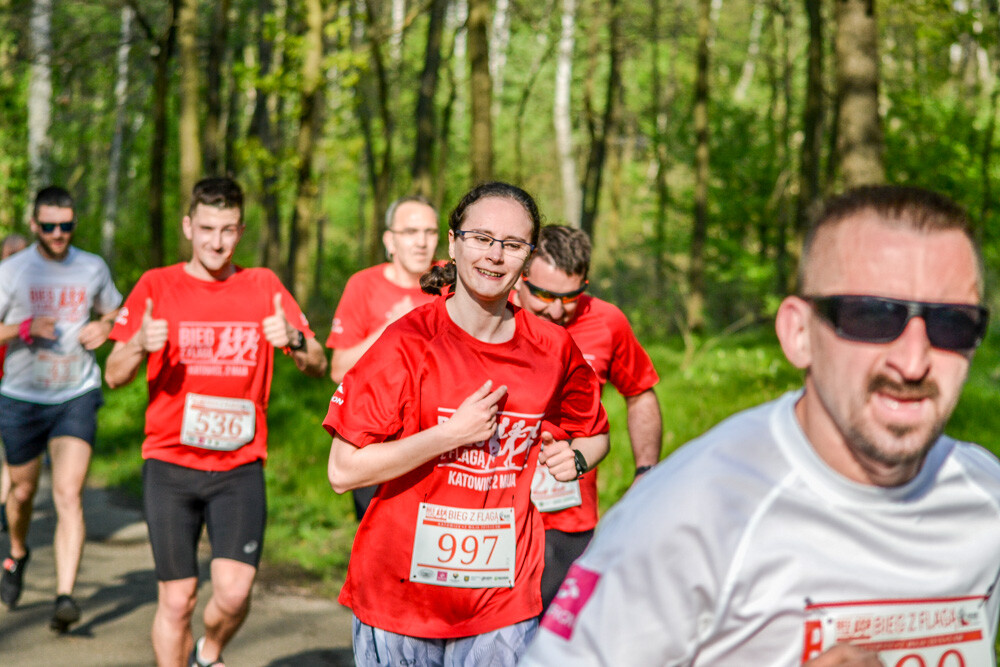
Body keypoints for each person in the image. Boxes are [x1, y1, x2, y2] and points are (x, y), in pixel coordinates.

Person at [522, 185, 1000, 666]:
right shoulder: (685, 516)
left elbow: (638, 391)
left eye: (952, 324)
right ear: (798, 334)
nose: (913, 361)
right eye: (872, 316)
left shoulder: (987, 501)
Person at [324, 181, 610, 666]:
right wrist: (448, 436)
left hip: (503, 601)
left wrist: (577, 457)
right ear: (454, 244)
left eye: (513, 244)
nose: (495, 256)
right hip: (400, 601)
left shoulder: (552, 349)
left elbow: (596, 432)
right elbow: (343, 470)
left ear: (527, 259)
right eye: (481, 238)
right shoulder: (408, 342)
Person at [105, 177, 327, 667]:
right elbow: (115, 375)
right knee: (177, 598)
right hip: (169, 463)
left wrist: (291, 337)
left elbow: (319, 362)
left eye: (227, 230)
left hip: (239, 465)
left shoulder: (264, 285)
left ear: (241, 231)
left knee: (232, 593)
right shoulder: (156, 285)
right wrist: (139, 343)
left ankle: (210, 652)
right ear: (188, 226)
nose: (216, 241)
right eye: (207, 228)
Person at [511, 225, 661, 611]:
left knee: (551, 638)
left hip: (567, 514)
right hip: (492, 510)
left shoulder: (607, 322)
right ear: (519, 278)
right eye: (544, 294)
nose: (557, 310)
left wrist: (647, 472)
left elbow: (640, 392)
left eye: (570, 297)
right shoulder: (489, 313)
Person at [0, 188, 122, 633]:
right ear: (34, 225)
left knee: (68, 494)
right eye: (49, 226)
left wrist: (104, 327)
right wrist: (23, 327)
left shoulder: (92, 267)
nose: (58, 234)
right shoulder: (12, 271)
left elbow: (118, 312)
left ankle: (65, 596)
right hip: (21, 395)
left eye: (66, 225)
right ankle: (17, 552)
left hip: (76, 392)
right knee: (22, 493)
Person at [326, 195, 441, 520]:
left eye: (430, 232)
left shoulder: (451, 281)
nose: (421, 242)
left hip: (437, 438)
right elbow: (339, 369)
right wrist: (391, 328)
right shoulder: (363, 285)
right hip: (376, 444)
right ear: (389, 239)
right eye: (410, 232)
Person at [0, 233, 28, 534]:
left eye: (22, 252)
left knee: (11, 447)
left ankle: (3, 502)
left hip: (18, 382)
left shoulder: (34, 288)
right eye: (12, 253)